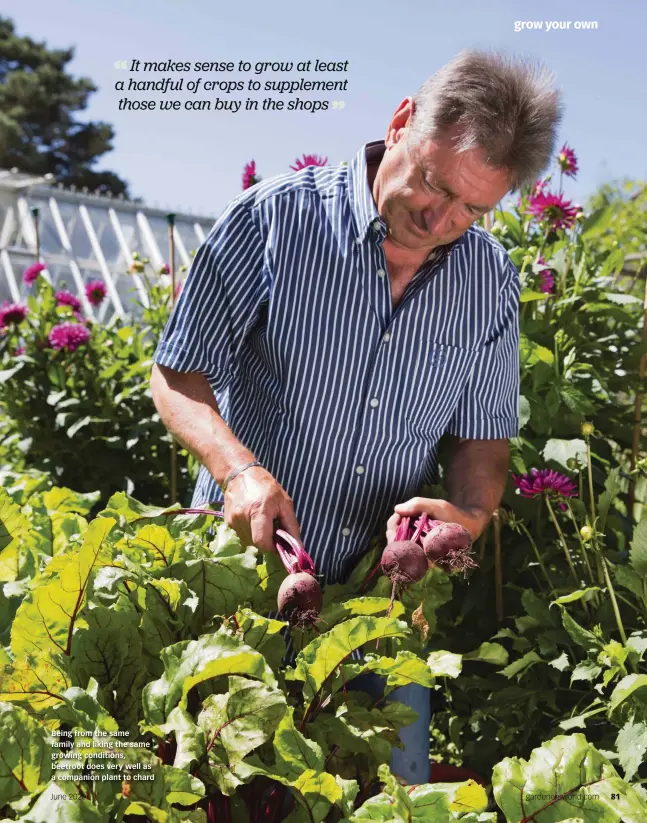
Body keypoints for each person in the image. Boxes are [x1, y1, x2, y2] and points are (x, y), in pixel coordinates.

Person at [150, 49, 562, 785]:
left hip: (380, 604)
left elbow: (482, 443)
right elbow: (175, 372)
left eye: (473, 209)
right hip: (241, 581)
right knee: (219, 787)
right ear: (402, 121)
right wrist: (237, 472)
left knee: (389, 793)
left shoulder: (490, 281)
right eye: (434, 186)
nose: (440, 222)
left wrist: (465, 513)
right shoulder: (275, 220)